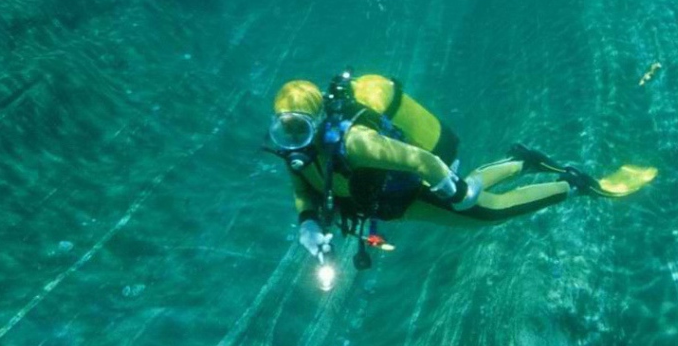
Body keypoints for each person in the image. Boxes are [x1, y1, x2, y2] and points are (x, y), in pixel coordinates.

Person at [267, 72, 656, 264]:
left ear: (317, 120)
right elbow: (303, 186)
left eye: (298, 128)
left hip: (412, 187)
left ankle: (572, 183)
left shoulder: (355, 143)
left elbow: (418, 160)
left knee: (487, 214)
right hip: (394, 200)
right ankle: (523, 160)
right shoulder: (298, 153)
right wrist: (308, 224)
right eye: (284, 130)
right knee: (473, 192)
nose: (291, 141)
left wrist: (450, 189)